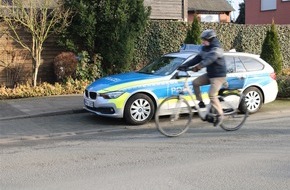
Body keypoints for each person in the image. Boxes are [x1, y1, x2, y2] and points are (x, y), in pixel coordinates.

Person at [182, 29, 227, 127]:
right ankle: (200, 102)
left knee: (211, 94)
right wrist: (185, 65)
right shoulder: (205, 48)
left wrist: (199, 67)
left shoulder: (216, 49)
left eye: (204, 40)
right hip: (210, 74)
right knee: (195, 83)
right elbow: (197, 58)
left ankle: (220, 115)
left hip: (218, 76)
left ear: (210, 39)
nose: (202, 41)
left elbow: (209, 59)